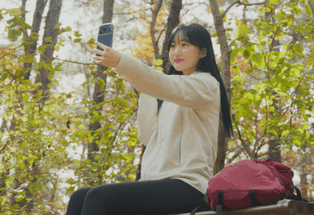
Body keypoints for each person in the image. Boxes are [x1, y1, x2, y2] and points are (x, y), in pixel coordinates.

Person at [65, 23, 232, 215]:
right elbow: (147, 137)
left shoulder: (206, 84)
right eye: (172, 46)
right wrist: (146, 89)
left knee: (99, 197)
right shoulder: (169, 96)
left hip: (188, 186)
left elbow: (166, 85)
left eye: (185, 45)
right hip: (155, 184)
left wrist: (122, 62)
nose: (176, 51)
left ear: (203, 52)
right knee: (79, 196)